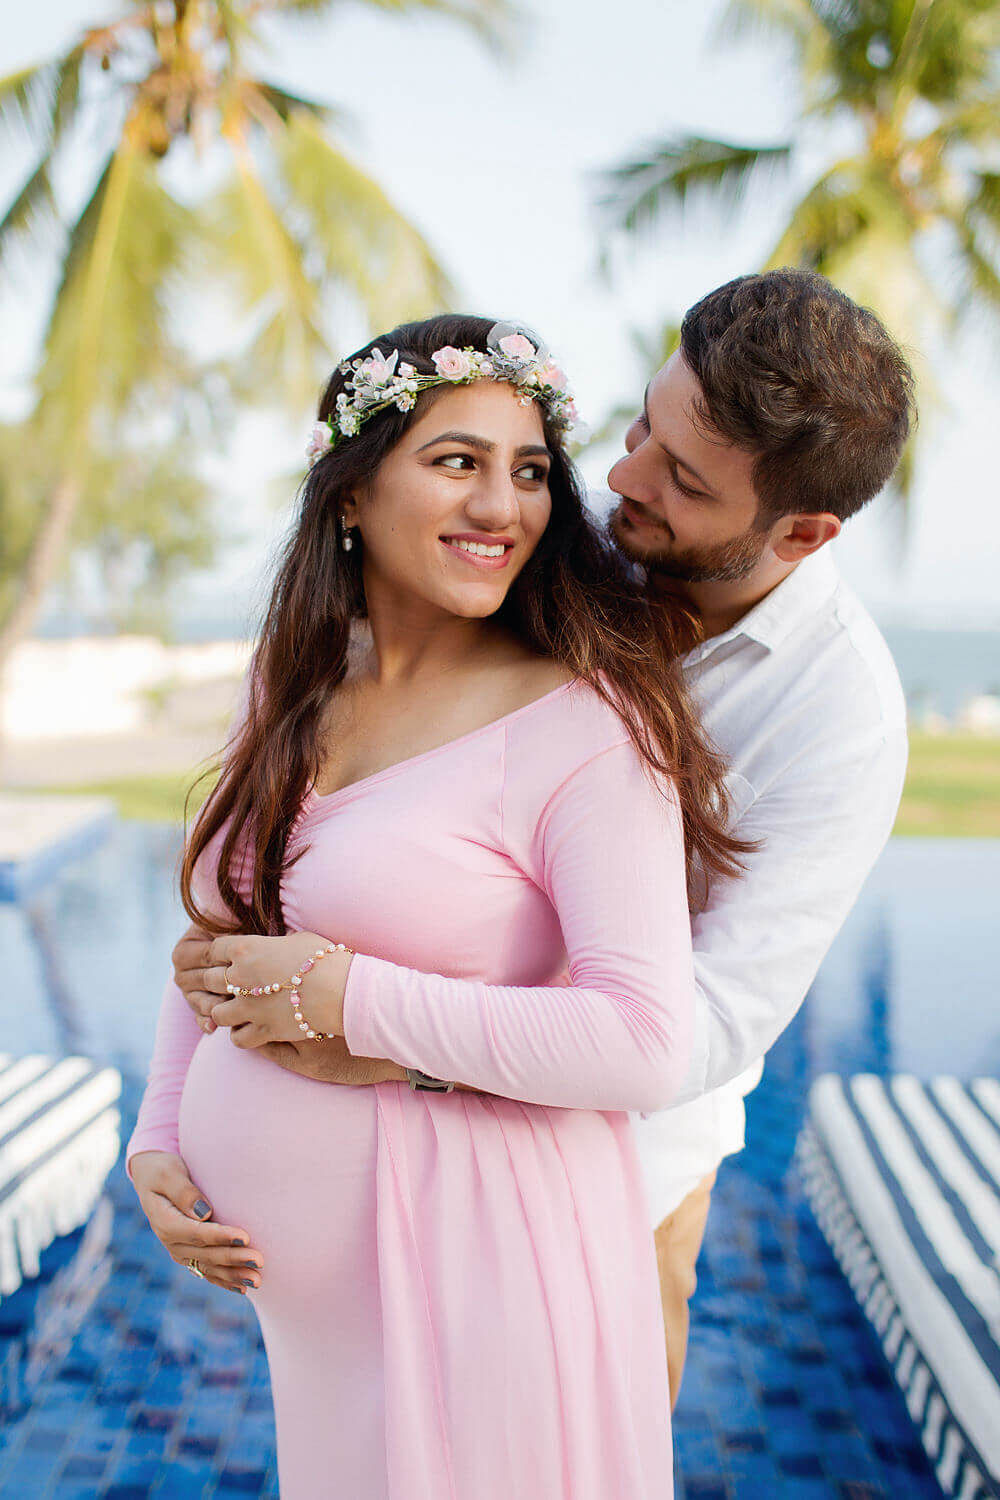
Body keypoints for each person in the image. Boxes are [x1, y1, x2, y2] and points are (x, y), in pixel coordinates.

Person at [170, 269, 916, 1414]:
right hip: (373, 1175)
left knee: (596, 1414)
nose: (619, 481)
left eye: (680, 477)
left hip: (617, 1145)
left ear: (801, 533)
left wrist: (375, 1028)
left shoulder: (839, 716)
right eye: (638, 429)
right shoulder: (564, 548)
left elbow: (695, 1026)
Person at [125, 314, 750, 1500]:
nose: (502, 506)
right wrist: (161, 1134)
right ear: (351, 494)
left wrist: (354, 1001)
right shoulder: (295, 679)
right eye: (457, 461)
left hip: (485, 1266)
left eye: (527, 473)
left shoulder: (587, 729)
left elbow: (639, 1040)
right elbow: (219, 943)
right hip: (320, 1321)